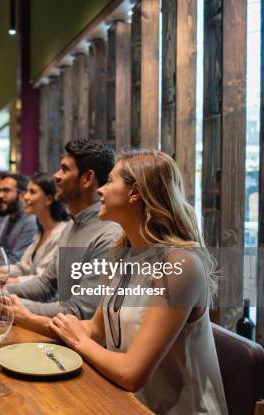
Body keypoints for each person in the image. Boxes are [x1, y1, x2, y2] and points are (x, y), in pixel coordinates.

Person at [48, 150, 227, 414]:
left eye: (109, 181)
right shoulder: (122, 254)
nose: (101, 190)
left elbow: (132, 373)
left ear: (135, 194)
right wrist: (18, 315)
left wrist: (78, 342)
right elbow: (95, 330)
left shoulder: (179, 265)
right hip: (126, 403)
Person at [7, 139, 121, 323]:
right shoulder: (71, 226)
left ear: (87, 179)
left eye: (65, 169)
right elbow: (46, 284)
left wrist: (11, 306)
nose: (56, 176)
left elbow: (81, 310)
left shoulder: (108, 235)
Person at [7, 172, 69, 283]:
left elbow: (42, 280)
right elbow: (23, 268)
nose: (25, 197)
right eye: (27, 191)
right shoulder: (41, 231)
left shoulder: (61, 233)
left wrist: (1, 280)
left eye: (32, 192)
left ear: (49, 199)